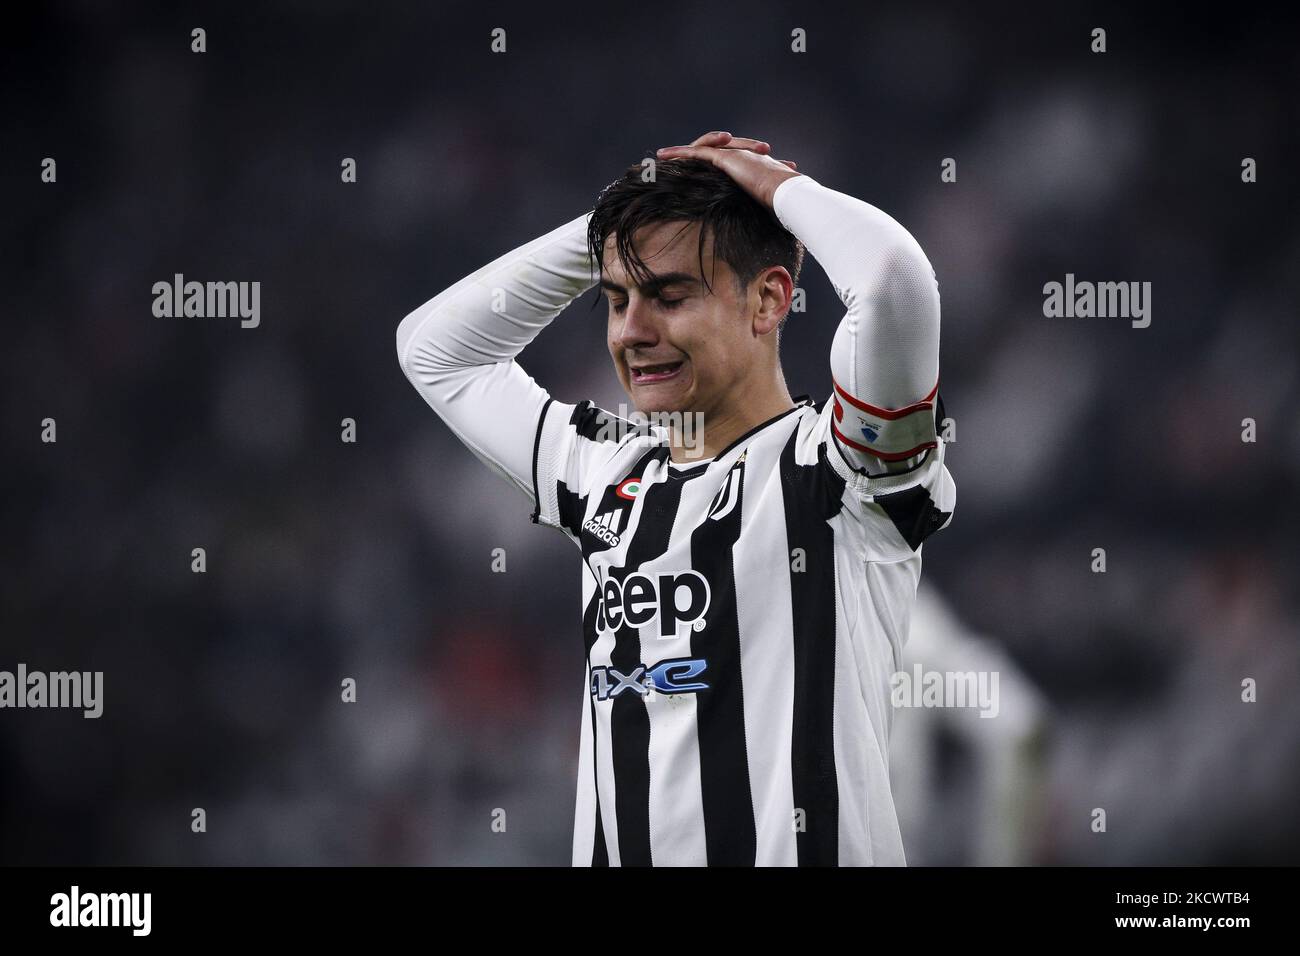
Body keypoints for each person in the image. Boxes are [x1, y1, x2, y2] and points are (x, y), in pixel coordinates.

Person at [397, 131, 955, 865]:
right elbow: (434, 350)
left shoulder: (842, 471)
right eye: (616, 299)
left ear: (767, 301)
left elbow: (892, 283)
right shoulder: (602, 472)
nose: (632, 331)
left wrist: (771, 186)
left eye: (668, 295)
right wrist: (623, 216)